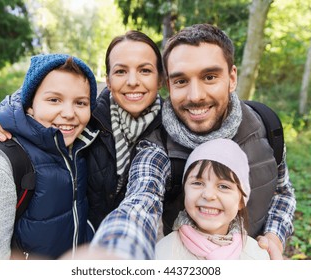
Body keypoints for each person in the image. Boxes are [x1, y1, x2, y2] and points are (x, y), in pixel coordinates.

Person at [89, 23, 295, 260]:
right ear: (168, 85)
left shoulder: (266, 126)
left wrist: (274, 235)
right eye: (181, 81)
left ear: (232, 77)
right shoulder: (156, 148)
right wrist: (115, 254)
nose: (195, 96)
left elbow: (282, 191)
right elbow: (139, 204)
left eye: (209, 77)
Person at [0, 30, 164, 232]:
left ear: (160, 79)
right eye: (120, 71)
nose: (132, 81)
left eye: (145, 70)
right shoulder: (89, 119)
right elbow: (39, 105)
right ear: (108, 81)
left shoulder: (174, 124)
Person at [0, 53, 99, 259]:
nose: (69, 113)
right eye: (54, 100)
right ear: (30, 105)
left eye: (81, 103)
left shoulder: (77, 149)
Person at [155, 138, 269, 260]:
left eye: (223, 186)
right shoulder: (163, 253)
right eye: (198, 183)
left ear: (241, 201)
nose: (208, 195)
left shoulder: (257, 256)